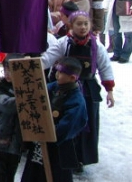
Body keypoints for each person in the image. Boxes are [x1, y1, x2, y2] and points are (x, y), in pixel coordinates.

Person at [42, 11, 115, 171]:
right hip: (63, 90)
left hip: (87, 90)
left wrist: (109, 89)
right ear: (71, 25)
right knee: (63, 121)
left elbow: (105, 67)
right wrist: (32, 64)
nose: (82, 27)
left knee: (86, 122)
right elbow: (48, 58)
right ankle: (61, 154)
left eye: (85, 24)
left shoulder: (97, 46)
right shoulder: (63, 43)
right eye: (78, 24)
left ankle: (81, 159)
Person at [21, 56, 88, 182]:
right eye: (57, 71)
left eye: (61, 72)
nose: (57, 74)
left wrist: (48, 134)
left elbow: (68, 126)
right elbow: (36, 93)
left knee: (55, 175)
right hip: (40, 142)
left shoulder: (77, 102)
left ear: (72, 78)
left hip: (59, 148)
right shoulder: (52, 87)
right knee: (34, 173)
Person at [0, 53, 25, 182]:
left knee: (10, 172)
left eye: (12, 71)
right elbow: (6, 105)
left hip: (17, 141)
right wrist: (28, 98)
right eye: (6, 70)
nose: (8, 74)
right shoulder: (1, 88)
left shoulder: (24, 88)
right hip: (0, 137)